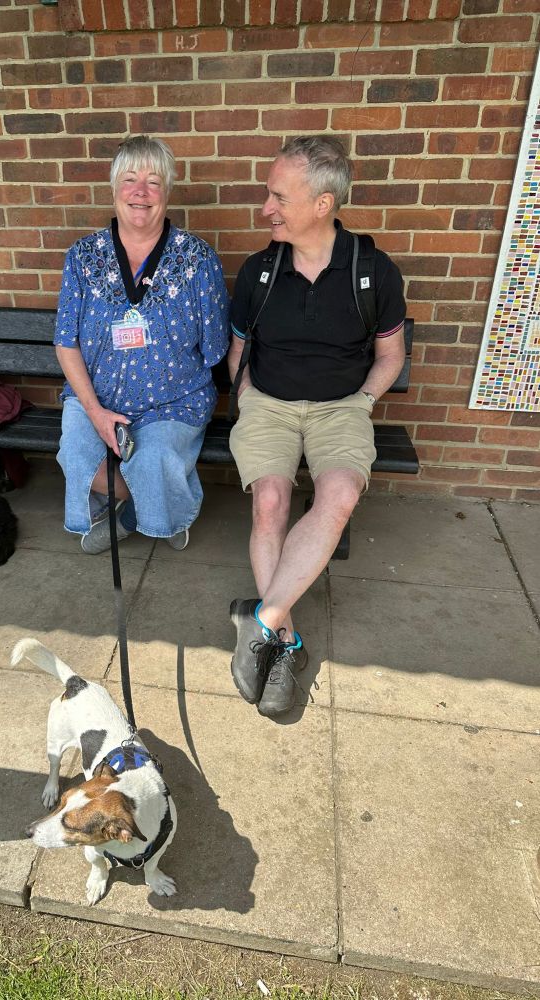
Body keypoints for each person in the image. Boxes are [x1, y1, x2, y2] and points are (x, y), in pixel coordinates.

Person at [227, 135, 406, 718]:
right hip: (269, 405)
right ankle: (285, 642)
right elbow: (238, 349)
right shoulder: (260, 271)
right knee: (271, 501)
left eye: (279, 195)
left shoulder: (371, 270)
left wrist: (361, 402)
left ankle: (262, 626)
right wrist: (249, 394)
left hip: (340, 409)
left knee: (339, 494)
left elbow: (391, 354)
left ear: (323, 203)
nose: (266, 208)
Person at [54, 135, 230, 554]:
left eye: (154, 181)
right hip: (94, 395)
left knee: (151, 460)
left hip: (173, 399)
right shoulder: (82, 257)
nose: (141, 191)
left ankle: (135, 516)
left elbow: (214, 348)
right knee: (79, 461)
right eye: (130, 179)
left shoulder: (198, 258)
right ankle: (160, 500)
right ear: (114, 188)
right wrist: (96, 412)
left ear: (167, 191)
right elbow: (66, 342)